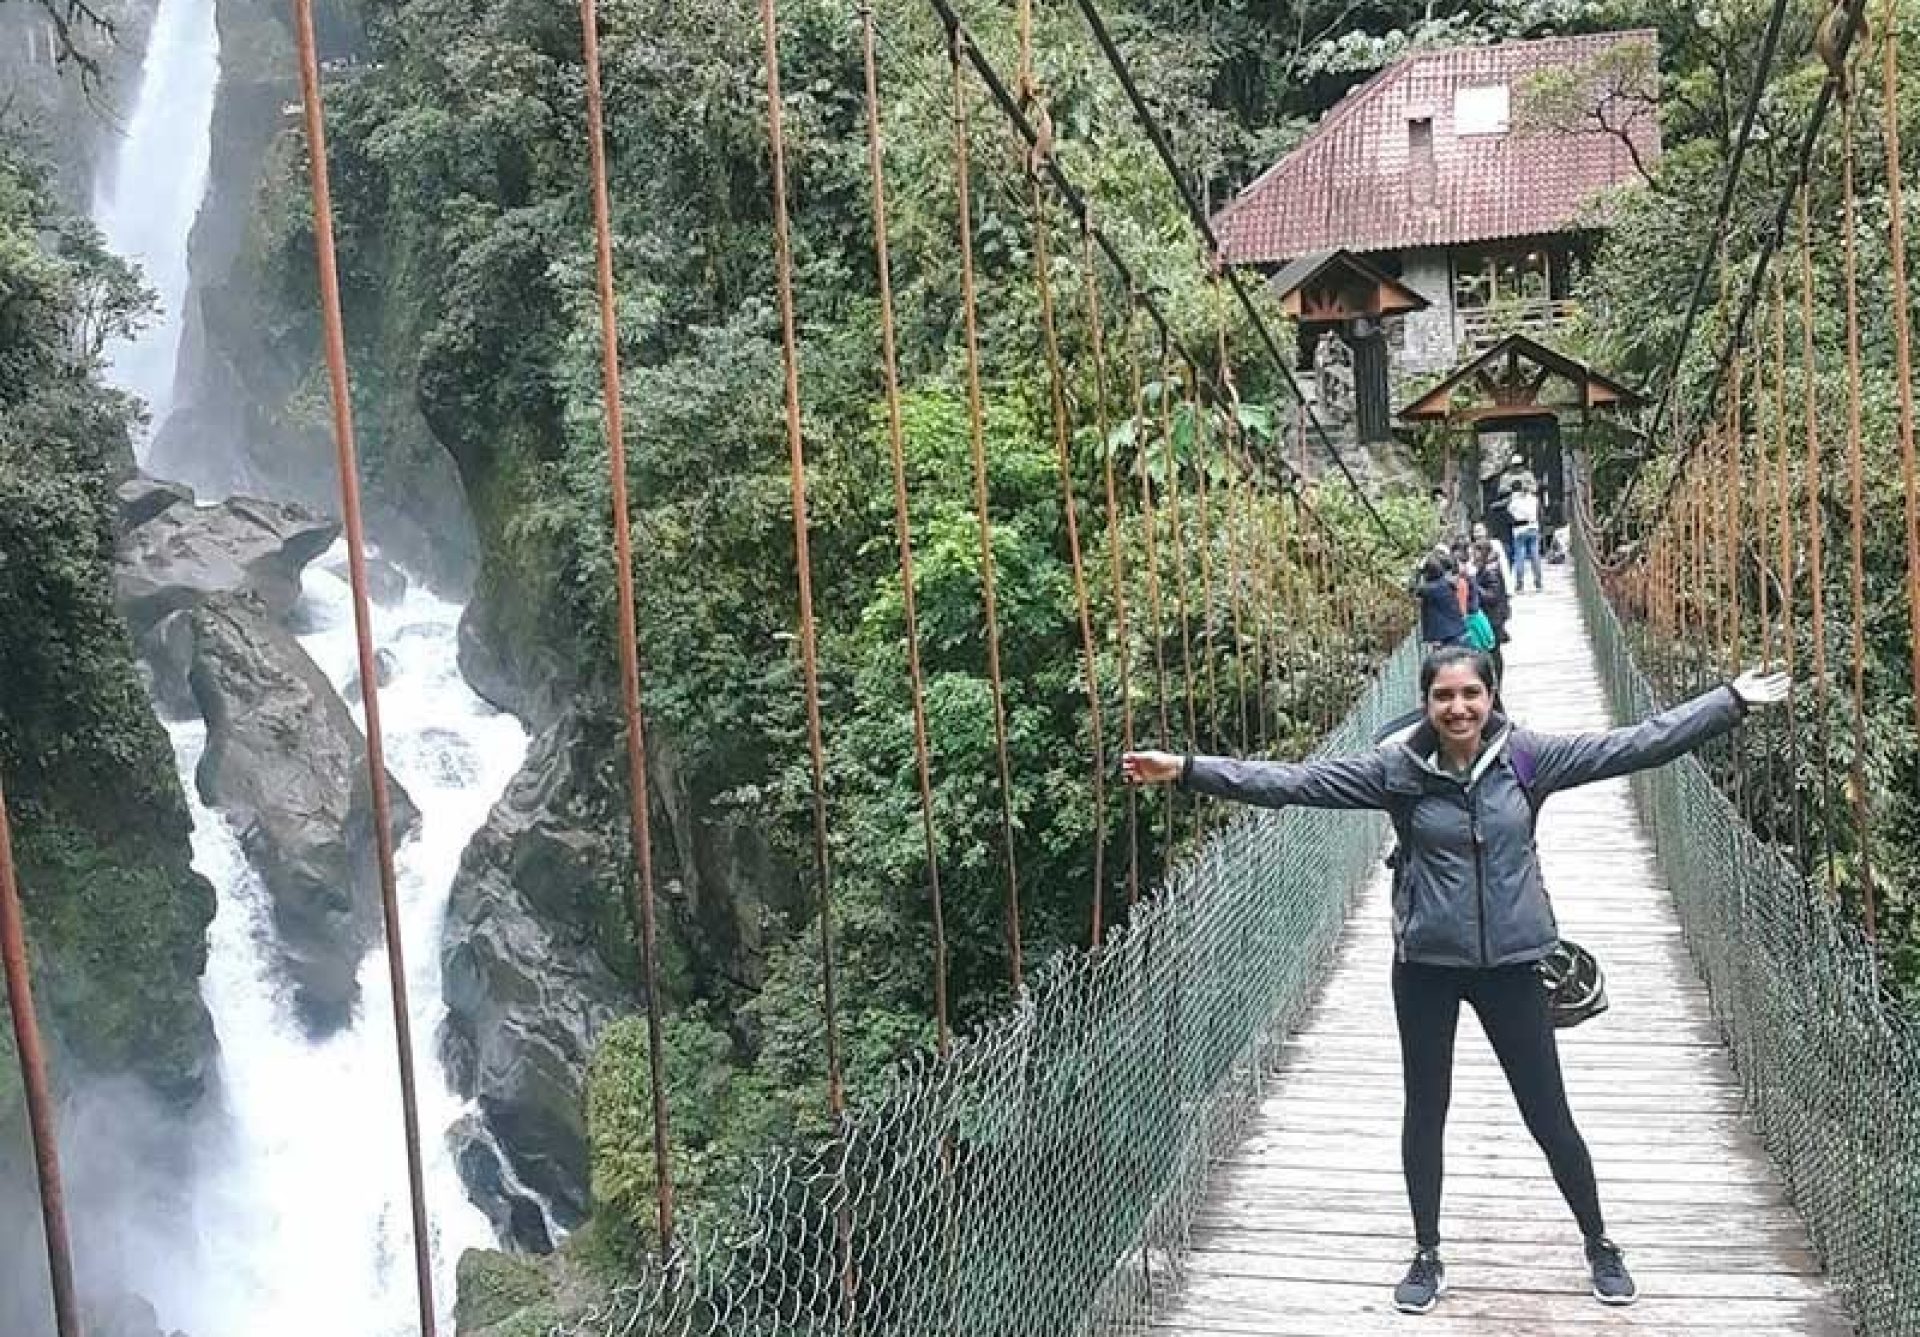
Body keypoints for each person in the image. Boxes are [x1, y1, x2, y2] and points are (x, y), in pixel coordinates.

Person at [1121, 651, 1791, 1315]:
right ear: (1427, 701)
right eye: (1444, 695)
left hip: (1511, 969)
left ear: (1492, 695)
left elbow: (1636, 745)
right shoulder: (1397, 771)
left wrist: (1727, 701)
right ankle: (1426, 1252)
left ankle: (1600, 1241)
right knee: (1425, 1110)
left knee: (1548, 1114)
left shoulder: (1529, 759)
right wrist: (1185, 769)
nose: (1459, 707)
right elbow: (1295, 781)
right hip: (1426, 970)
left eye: (1471, 693)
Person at [1472, 537, 1512, 686]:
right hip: (1491, 616)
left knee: (1494, 651)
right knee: (1493, 651)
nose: (1473, 556)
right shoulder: (1486, 568)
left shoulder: (1491, 571)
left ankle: (1497, 682)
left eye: (1475, 552)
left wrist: (1475, 587)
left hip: (1493, 617)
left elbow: (1493, 596)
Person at [1409, 551, 1468, 650]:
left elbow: (1411, 589)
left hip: (1447, 637)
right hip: (1454, 633)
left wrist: (1418, 571)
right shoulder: (1444, 584)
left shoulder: (1432, 589)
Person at [1507, 477, 1543, 593]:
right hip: (1533, 528)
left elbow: (1510, 513)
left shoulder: (1514, 501)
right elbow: (1539, 513)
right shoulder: (1534, 499)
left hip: (1519, 530)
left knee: (1520, 557)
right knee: (1535, 556)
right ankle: (1538, 583)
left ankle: (1519, 585)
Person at [1471, 520, 1512, 589]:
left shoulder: (1495, 544)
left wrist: (1509, 588)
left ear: (1485, 531)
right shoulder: (1471, 548)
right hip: (1479, 584)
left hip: (1495, 583)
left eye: (1480, 530)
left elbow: (1504, 565)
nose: (1478, 534)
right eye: (1475, 531)